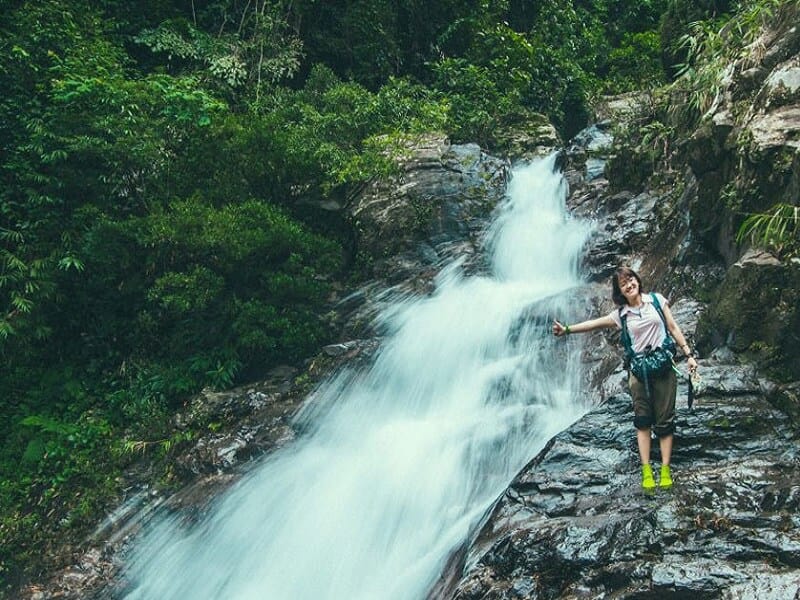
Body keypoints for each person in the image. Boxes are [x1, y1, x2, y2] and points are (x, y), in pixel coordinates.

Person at [552, 266, 698, 491]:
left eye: (631, 280)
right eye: (624, 284)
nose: (629, 285)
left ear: (637, 281)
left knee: (665, 420)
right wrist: (568, 329)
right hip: (639, 372)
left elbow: (673, 327)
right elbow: (594, 324)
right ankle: (646, 469)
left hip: (664, 368)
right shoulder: (620, 315)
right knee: (642, 420)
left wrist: (688, 354)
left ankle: (666, 468)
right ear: (620, 291)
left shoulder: (657, 302)